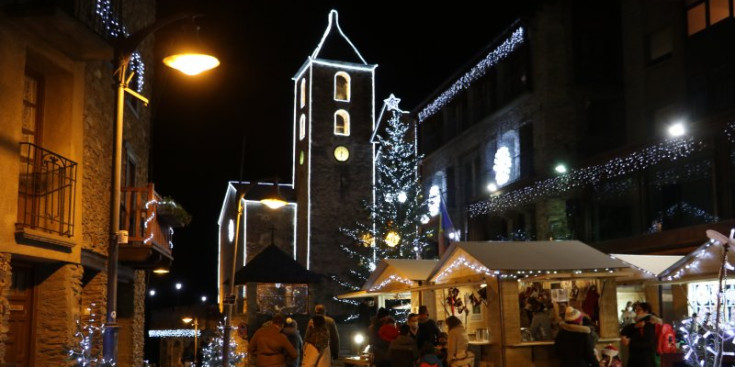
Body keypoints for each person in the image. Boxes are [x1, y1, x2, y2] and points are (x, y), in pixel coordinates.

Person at [622, 302, 658, 367]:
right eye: (635, 310)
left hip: (644, 362)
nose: (636, 312)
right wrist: (635, 326)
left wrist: (630, 343)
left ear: (646, 311)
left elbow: (648, 344)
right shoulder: (637, 324)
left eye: (639, 310)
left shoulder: (648, 325)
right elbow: (624, 331)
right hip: (635, 361)